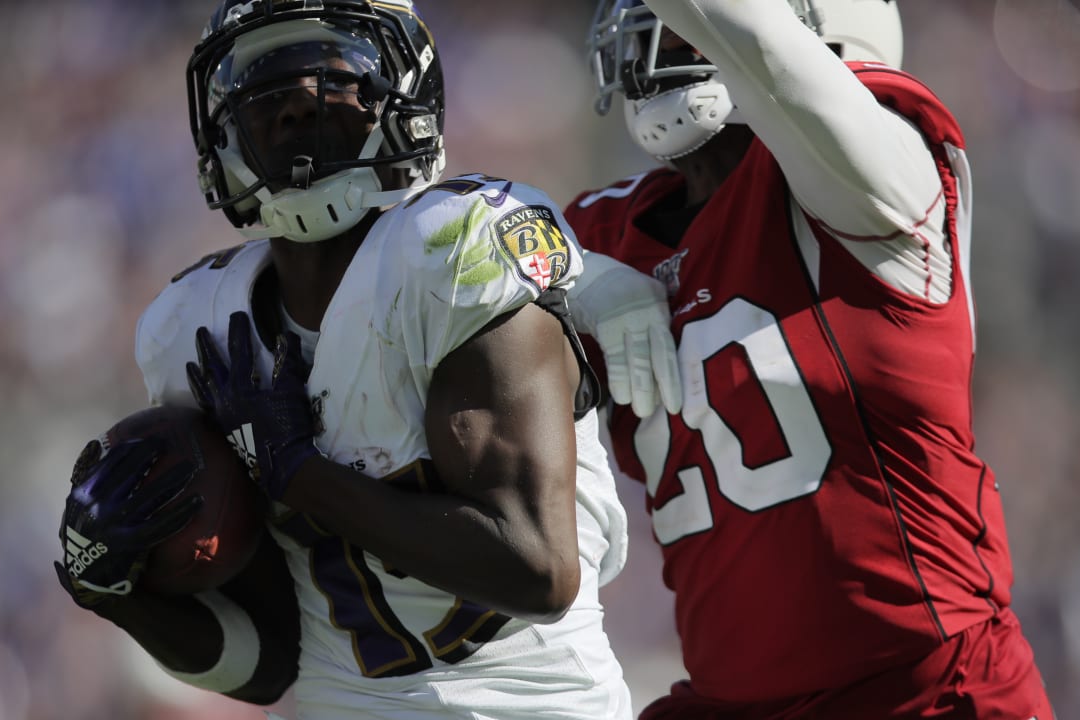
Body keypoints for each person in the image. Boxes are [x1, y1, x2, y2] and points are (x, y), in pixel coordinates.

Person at [52, 1, 649, 718]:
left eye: (333, 77)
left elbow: (536, 569)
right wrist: (117, 595)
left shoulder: (456, 250)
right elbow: (267, 663)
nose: (297, 105)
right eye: (265, 89)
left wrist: (302, 476)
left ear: (403, 95)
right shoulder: (192, 329)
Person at [562, 0, 1056, 718]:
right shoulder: (601, 231)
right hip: (730, 701)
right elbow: (449, 249)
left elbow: (766, 50)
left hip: (925, 692)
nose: (660, 39)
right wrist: (575, 276)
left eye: (683, 30)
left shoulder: (881, 170)